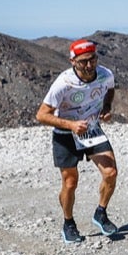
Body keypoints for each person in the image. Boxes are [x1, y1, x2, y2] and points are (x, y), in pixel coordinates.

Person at [35, 39, 119, 244]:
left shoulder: (105, 74)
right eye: (83, 62)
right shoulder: (63, 83)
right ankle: (68, 223)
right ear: (73, 61)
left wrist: (106, 108)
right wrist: (70, 125)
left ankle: (101, 213)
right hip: (65, 134)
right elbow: (42, 115)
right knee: (71, 183)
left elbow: (109, 89)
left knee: (111, 172)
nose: (89, 65)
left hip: (91, 130)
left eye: (93, 59)